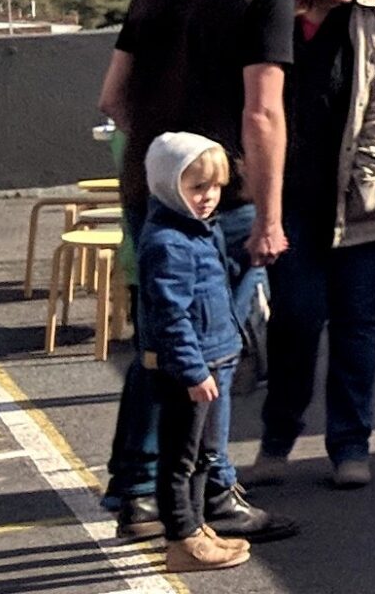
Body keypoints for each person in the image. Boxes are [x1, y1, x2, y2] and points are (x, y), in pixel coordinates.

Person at [95, 0, 296, 543]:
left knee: (159, 342)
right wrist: (268, 214)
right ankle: (212, 491)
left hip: (151, 186)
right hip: (222, 194)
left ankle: (138, 491)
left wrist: (160, 156)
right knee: (211, 351)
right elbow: (262, 114)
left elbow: (113, 97)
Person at [244, 0, 375, 492]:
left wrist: (360, 184)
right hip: (294, 199)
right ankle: (276, 441)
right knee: (295, 319)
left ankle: (350, 446)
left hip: (365, 202)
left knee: (356, 324)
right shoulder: (282, 19)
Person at [137, 131, 254, 574]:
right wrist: (191, 370)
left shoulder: (199, 231)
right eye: (197, 187)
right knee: (180, 457)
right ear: (169, 185)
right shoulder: (169, 241)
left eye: (216, 187)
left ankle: (198, 526)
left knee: (204, 453)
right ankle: (181, 536)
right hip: (193, 367)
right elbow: (170, 315)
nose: (208, 197)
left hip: (213, 358)